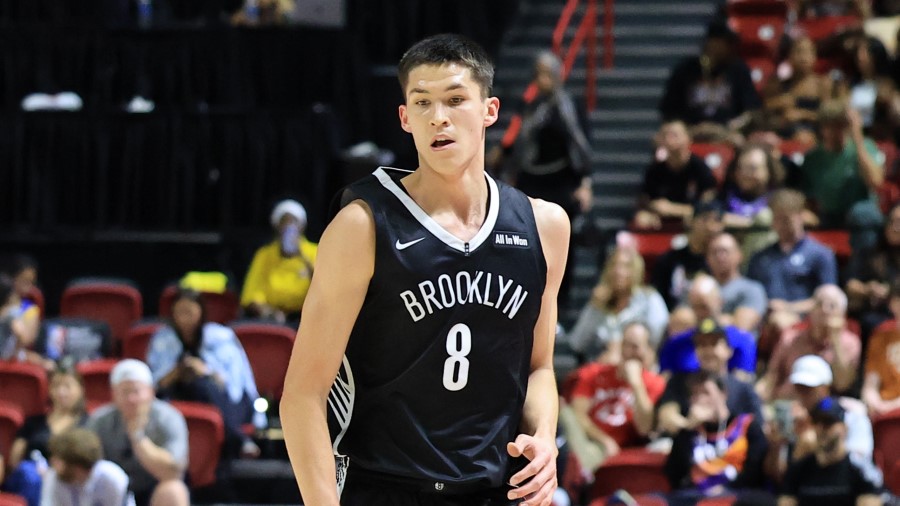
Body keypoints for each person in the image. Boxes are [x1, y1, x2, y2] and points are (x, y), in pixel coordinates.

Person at [280, 34, 568, 506]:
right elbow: (302, 395)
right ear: (405, 118)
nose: (439, 117)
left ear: (490, 110)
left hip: (495, 489)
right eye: (423, 103)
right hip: (383, 487)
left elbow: (539, 367)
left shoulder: (545, 225)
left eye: (456, 100)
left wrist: (544, 439)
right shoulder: (362, 226)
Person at [493, 50, 591, 307]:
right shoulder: (530, 105)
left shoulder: (568, 105)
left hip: (560, 180)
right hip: (530, 179)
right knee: (526, 240)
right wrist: (508, 168)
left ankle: (561, 302)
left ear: (558, 76)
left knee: (560, 242)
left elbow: (581, 143)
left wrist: (585, 182)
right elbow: (518, 141)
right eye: (538, 74)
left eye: (547, 74)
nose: (542, 79)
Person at [146, 287, 261, 458]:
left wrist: (204, 371)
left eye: (190, 312)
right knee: (190, 386)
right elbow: (153, 386)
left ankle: (236, 439)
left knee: (202, 385)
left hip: (225, 401)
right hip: (177, 396)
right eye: (180, 312)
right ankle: (240, 439)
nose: (185, 318)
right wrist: (178, 372)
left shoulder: (221, 338)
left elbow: (233, 385)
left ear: (201, 312)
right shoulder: (162, 340)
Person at [559, 322, 666, 473]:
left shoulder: (655, 383)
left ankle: (584, 474)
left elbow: (644, 428)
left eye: (635, 346)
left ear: (648, 350)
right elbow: (578, 415)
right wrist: (605, 440)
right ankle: (583, 475)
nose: (629, 351)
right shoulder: (593, 373)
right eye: (626, 345)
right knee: (565, 412)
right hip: (592, 442)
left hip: (630, 446)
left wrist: (636, 384)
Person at [87, 359, 190, 506]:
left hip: (153, 490)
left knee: (174, 490)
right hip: (113, 492)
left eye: (136, 391)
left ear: (151, 391)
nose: (131, 399)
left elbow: (172, 472)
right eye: (125, 392)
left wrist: (137, 437)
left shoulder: (169, 418)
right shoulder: (99, 421)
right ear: (113, 394)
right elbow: (86, 466)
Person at [764, 355, 875, 484]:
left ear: (825, 387)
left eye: (808, 389)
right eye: (799, 388)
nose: (802, 394)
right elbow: (779, 476)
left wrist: (816, 445)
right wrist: (776, 446)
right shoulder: (790, 421)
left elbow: (860, 464)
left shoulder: (852, 414)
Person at [664, 371, 768, 506]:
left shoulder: (748, 425)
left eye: (706, 393)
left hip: (737, 494)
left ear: (723, 394)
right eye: (694, 395)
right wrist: (688, 429)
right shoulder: (690, 432)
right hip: (694, 496)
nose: (700, 399)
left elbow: (756, 472)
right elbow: (674, 474)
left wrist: (725, 489)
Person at [747, 189, 838, 332]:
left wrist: (788, 307)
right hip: (763, 321)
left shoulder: (820, 254)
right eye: (777, 219)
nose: (781, 225)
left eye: (787, 219)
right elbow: (750, 294)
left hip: (805, 323)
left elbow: (827, 299)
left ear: (801, 217)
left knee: (780, 321)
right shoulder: (760, 257)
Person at [798, 100, 884, 250]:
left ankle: (863, 267)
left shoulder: (865, 146)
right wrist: (805, 213)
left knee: (862, 213)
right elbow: (806, 196)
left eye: (842, 125)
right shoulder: (813, 158)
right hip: (827, 216)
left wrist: (858, 138)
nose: (837, 131)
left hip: (859, 214)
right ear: (822, 128)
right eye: (831, 125)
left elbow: (875, 182)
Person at [656, 318, 763, 436]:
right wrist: (689, 424)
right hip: (688, 448)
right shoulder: (679, 381)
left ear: (728, 350)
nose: (707, 351)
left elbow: (757, 426)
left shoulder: (743, 388)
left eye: (713, 344)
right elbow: (666, 414)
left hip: (730, 450)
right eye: (701, 345)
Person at [658, 21, 761, 142]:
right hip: (689, 134)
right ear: (709, 41)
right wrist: (686, 129)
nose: (726, 47)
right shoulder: (686, 70)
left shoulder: (738, 70)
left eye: (729, 43)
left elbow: (751, 112)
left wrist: (727, 128)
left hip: (727, 134)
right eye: (721, 42)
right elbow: (669, 111)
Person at [756, 285, 861, 401]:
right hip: (787, 402)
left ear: (842, 314)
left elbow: (842, 384)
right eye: (820, 304)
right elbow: (772, 377)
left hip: (825, 409)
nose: (824, 310)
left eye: (832, 306)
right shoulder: (791, 338)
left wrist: (835, 340)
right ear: (811, 310)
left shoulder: (851, 343)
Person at [566, 245, 669, 363]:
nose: (618, 271)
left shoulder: (650, 299)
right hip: (603, 367)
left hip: (641, 364)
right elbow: (577, 343)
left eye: (626, 266)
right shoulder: (599, 303)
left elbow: (658, 340)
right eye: (614, 265)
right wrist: (594, 307)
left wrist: (622, 347)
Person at [2, 366, 88, 506]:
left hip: (68, 480)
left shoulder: (89, 424)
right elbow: (15, 460)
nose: (61, 392)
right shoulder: (33, 422)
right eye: (56, 386)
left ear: (81, 389)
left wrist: (54, 473)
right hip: (29, 478)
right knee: (29, 474)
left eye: (67, 386)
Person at [778, 397, 883, 506]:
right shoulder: (800, 469)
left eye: (828, 423)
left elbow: (871, 500)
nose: (821, 428)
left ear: (844, 428)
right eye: (816, 422)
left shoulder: (859, 469)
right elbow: (786, 500)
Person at [659, 278, 757, 382]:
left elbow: (743, 383)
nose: (701, 313)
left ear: (720, 303)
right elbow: (664, 381)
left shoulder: (742, 341)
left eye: (704, 307)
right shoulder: (676, 344)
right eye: (696, 308)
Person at [240, 198, 318, 323]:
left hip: (305, 319)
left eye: (294, 222)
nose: (289, 226)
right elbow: (251, 294)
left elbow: (325, 290)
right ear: (277, 226)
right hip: (269, 318)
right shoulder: (264, 255)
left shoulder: (316, 252)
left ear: (302, 226)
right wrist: (269, 312)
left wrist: (302, 257)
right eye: (284, 222)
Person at [633, 120, 718, 230]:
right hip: (661, 222)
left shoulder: (700, 169)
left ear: (688, 138)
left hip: (693, 223)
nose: (669, 139)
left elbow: (708, 207)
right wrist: (646, 213)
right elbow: (646, 201)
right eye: (665, 135)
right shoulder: (654, 170)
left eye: (674, 134)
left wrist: (673, 209)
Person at [651, 200, 724, 310]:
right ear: (691, 222)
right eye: (705, 219)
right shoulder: (668, 260)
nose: (711, 227)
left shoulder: (723, 263)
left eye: (717, 221)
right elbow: (658, 299)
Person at [762, 36, 834, 145]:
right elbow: (765, 108)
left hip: (815, 134)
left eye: (809, 52)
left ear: (815, 57)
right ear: (789, 57)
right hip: (784, 132)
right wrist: (779, 102)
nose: (804, 57)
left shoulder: (822, 84)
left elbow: (829, 117)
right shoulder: (779, 84)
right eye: (799, 52)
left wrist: (802, 114)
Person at [845, 202, 900, 337]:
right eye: (892, 221)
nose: (895, 227)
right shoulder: (870, 250)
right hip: (875, 313)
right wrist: (867, 289)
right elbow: (850, 284)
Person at [40, 427, 135, 506]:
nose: (52, 462)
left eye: (59, 460)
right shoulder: (53, 477)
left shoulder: (113, 478)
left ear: (78, 467)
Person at [705, 232, 768, 334]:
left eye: (725, 251)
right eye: (714, 252)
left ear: (739, 255)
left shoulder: (752, 289)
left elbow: (741, 327)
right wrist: (727, 320)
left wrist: (702, 324)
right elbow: (680, 321)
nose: (719, 256)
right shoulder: (698, 288)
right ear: (707, 259)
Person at [861, 278, 900, 416]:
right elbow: (870, 385)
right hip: (884, 411)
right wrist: (875, 403)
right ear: (893, 304)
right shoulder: (881, 336)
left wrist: (891, 407)